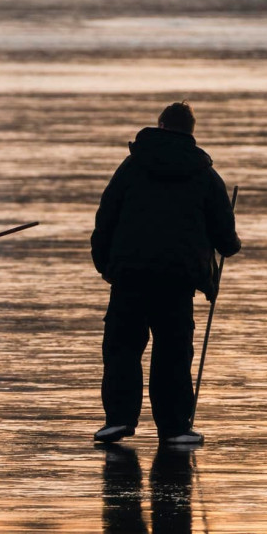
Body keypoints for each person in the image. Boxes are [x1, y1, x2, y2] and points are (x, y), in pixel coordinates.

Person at [90, 102, 239, 446]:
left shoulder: (131, 167)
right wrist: (231, 246)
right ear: (191, 131)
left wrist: (105, 265)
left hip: (130, 275)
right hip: (177, 279)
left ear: (159, 126)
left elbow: (105, 218)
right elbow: (224, 234)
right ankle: (173, 427)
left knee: (122, 348)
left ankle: (118, 420)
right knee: (172, 352)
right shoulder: (203, 173)